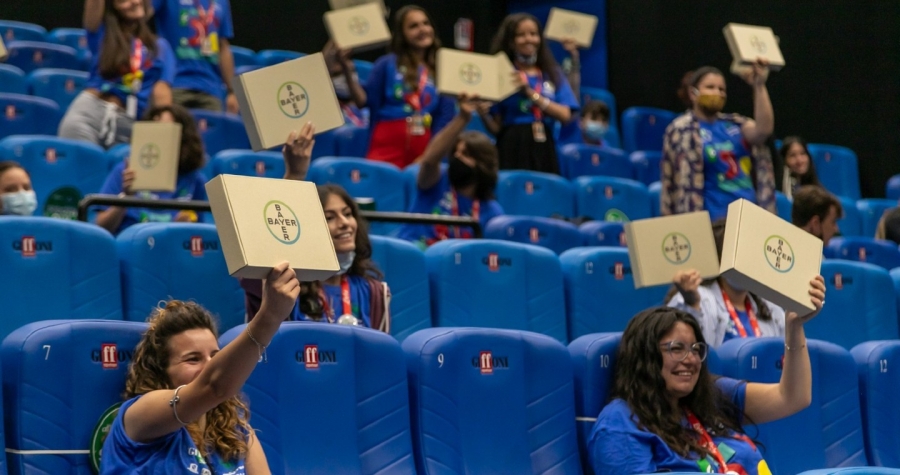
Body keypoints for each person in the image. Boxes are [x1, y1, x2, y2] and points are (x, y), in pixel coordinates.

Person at [588, 288, 824, 474]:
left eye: (695, 349)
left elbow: (792, 397)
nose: (690, 360)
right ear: (646, 356)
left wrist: (794, 327)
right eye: (676, 348)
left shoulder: (710, 395)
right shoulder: (621, 421)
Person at [99, 263, 299, 473]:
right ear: (160, 369)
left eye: (215, 355)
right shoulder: (139, 415)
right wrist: (269, 317)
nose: (210, 365)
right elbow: (214, 386)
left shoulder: (236, 430)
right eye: (193, 359)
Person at [240, 124, 391, 331]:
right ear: (310, 230)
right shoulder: (282, 287)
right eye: (330, 217)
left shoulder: (375, 292)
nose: (345, 222)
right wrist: (294, 175)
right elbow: (262, 254)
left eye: (347, 214)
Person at [339, 5, 454, 168]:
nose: (422, 29)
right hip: (385, 142)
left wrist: (430, 155)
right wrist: (345, 67)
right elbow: (363, 101)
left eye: (426, 23)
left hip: (424, 147)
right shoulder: (386, 64)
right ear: (402, 34)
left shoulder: (442, 71)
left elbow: (445, 120)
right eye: (413, 26)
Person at [660, 62, 776, 220]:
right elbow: (669, 182)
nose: (717, 93)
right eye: (710, 87)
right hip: (711, 221)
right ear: (693, 93)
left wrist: (759, 85)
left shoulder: (736, 124)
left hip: (748, 218)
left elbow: (763, 130)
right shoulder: (680, 130)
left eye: (721, 89)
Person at [59, 0, 175, 148]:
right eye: (123, 0)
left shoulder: (161, 48)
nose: (134, 2)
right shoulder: (102, 33)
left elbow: (162, 91)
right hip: (88, 117)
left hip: (131, 125)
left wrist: (163, 135)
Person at [398, 94, 504, 249]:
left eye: (466, 154)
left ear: (483, 165)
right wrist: (462, 118)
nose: (457, 157)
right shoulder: (436, 182)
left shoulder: (491, 212)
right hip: (416, 256)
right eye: (456, 152)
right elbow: (429, 161)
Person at [480, 13, 579, 174]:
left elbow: (565, 115)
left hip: (545, 145)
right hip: (511, 145)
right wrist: (483, 115)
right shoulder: (502, 74)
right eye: (521, 35)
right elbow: (496, 128)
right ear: (511, 42)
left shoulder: (552, 73)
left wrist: (530, 93)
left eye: (533, 34)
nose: (529, 39)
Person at [667, 220, 785, 348]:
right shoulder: (698, 297)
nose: (747, 264)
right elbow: (680, 348)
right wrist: (691, 303)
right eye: (739, 256)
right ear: (720, 260)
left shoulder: (771, 308)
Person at [95, 103, 207, 234]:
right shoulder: (125, 172)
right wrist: (125, 198)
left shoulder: (195, 180)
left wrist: (183, 230)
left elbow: (201, 236)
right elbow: (101, 228)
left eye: (164, 131)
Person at [150, 0, 238, 113]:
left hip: (211, 89)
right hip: (174, 83)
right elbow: (141, 14)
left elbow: (223, 45)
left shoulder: (222, 2)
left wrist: (232, 91)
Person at [323, 40, 368, 128]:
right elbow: (322, 70)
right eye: (338, 74)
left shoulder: (364, 90)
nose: (346, 79)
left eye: (351, 71)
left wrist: (346, 70)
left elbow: (362, 101)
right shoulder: (330, 110)